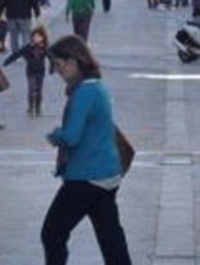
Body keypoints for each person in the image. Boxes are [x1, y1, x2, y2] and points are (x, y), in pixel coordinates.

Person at [42, 35, 132, 265]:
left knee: (52, 233)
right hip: (107, 175)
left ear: (73, 62)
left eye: (59, 65)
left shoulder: (84, 92)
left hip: (86, 177)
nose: (58, 72)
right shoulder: (98, 87)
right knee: (111, 239)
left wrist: (55, 135)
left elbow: (71, 137)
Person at [4, 25, 54, 116]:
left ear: (43, 38)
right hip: (30, 71)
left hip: (40, 71)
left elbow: (51, 58)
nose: (36, 38)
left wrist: (52, 68)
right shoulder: (28, 47)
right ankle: (31, 107)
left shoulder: (45, 48)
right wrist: (7, 61)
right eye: (34, 36)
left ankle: (38, 107)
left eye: (38, 37)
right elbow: (17, 54)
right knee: (31, 88)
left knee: (39, 90)